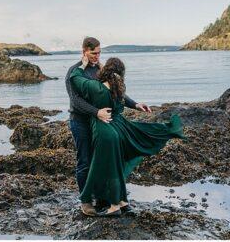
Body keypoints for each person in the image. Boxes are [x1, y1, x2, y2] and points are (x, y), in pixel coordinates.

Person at [69, 57, 184, 216]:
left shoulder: (96, 88)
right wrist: (136, 104)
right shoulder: (118, 89)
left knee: (109, 169)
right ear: (120, 74)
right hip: (117, 129)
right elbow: (124, 99)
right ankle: (123, 203)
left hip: (104, 132)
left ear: (105, 70)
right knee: (117, 167)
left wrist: (82, 65)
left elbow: (74, 78)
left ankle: (114, 206)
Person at [65, 37, 152, 216]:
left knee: (102, 161)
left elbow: (114, 91)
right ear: (84, 51)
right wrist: (97, 112)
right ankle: (86, 202)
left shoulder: (100, 70)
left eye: (99, 52)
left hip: (99, 122)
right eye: (93, 53)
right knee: (85, 162)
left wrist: (135, 104)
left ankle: (104, 198)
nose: (97, 56)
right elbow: (76, 101)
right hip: (81, 121)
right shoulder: (74, 71)